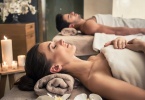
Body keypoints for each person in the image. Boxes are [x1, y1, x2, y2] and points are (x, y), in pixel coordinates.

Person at [16, 37, 145, 100]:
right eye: (54, 46)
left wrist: (122, 42)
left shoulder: (93, 59)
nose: (60, 40)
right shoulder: (95, 79)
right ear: (56, 67)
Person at [56, 12, 145, 35]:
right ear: (71, 26)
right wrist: (141, 30)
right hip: (134, 26)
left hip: (131, 22)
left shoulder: (87, 22)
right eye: (70, 16)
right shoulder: (88, 26)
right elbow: (116, 31)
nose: (72, 12)